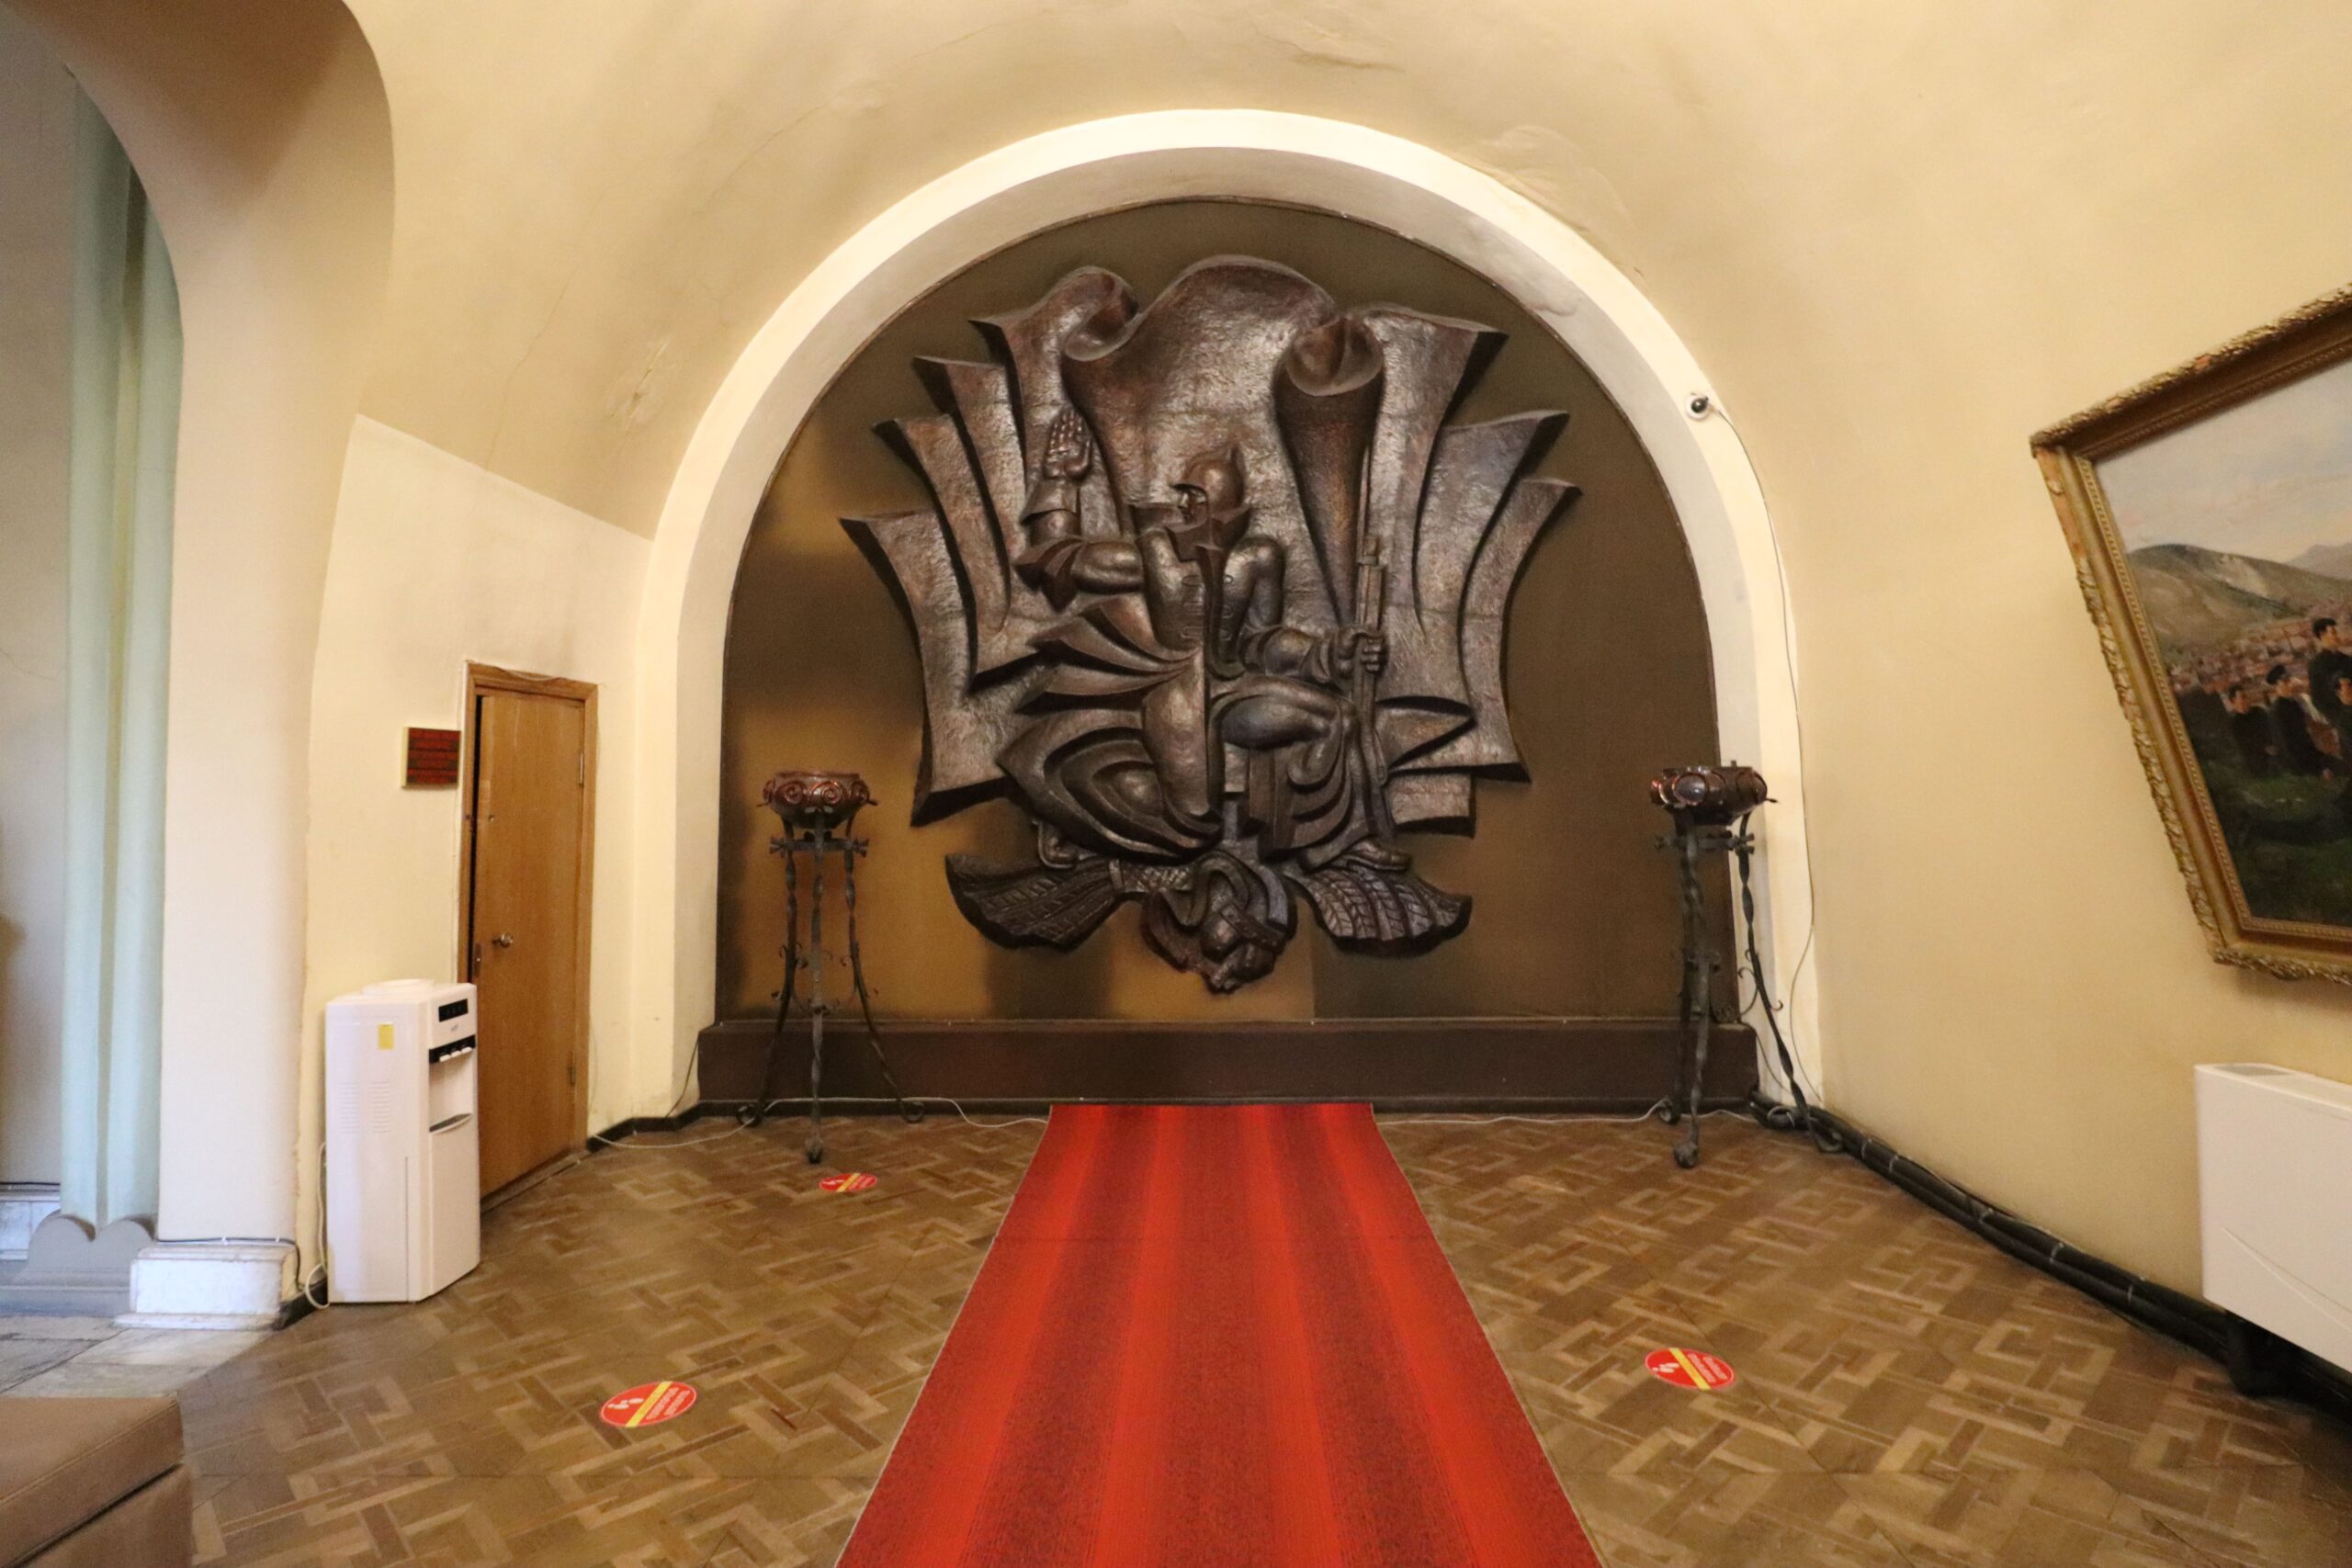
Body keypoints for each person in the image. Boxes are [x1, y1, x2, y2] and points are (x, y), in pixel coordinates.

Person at [2267, 664, 2332, 775]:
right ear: (2277, 686)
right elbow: (2286, 745)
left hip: (2309, 754)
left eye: (2289, 681)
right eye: (2285, 682)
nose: (2290, 685)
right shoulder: (2276, 711)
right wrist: (2317, 769)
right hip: (2298, 763)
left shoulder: (2294, 703)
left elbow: (2305, 734)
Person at [2226, 685, 2277, 776]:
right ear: (2234, 701)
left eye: (2246, 696)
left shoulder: (2259, 712)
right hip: (2256, 761)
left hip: (2273, 753)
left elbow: (2271, 729)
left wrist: (2272, 745)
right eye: (2243, 697)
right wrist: (2264, 748)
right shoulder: (2234, 724)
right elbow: (2244, 746)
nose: (2247, 699)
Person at [2310, 618, 2352, 724]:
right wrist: (2338, 720)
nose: (2338, 635)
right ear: (2322, 634)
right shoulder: (2316, 664)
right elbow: (2317, 698)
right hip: (2342, 721)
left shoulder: (2347, 659)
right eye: (2333, 632)